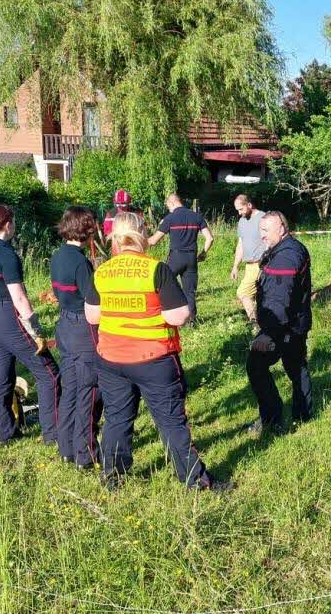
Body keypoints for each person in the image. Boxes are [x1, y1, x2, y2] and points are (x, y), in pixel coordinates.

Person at [86, 211, 229, 492]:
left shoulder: (102, 271)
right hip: (153, 359)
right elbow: (178, 316)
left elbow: (92, 317)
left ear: (114, 236)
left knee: (116, 418)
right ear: (143, 234)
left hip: (112, 358)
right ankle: (194, 481)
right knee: (171, 422)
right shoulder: (156, 269)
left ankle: (113, 477)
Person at [0, 204, 62, 446]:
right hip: (7, 318)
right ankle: (54, 434)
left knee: (1, 376)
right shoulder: (7, 255)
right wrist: (37, 332)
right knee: (49, 374)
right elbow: (19, 299)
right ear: (8, 225)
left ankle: (4, 433)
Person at [246, 211, 314, 436]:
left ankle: (272, 419)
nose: (262, 235)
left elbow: (279, 299)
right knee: (296, 367)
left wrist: (267, 334)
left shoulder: (286, 256)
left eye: (266, 231)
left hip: (283, 327)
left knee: (256, 365)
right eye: (260, 230)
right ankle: (303, 415)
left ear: (282, 229)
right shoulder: (289, 248)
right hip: (295, 323)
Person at [50, 206, 103, 469]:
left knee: (70, 389)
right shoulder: (81, 263)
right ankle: (87, 454)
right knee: (89, 391)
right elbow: (94, 302)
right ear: (86, 230)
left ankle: (66, 447)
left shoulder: (58, 256)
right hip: (83, 329)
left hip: (65, 327)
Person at [148, 194, 214, 323]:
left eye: (168, 207)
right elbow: (210, 238)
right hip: (191, 257)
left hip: (176, 257)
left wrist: (138, 241)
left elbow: (153, 241)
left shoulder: (170, 218)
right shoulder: (196, 216)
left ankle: (164, 316)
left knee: (163, 285)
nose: (169, 209)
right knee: (189, 292)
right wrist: (203, 253)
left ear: (172, 203)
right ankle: (192, 321)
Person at [230, 194, 267, 324]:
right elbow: (241, 244)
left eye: (241, 209)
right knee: (257, 295)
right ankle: (261, 322)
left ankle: (254, 322)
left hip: (262, 264)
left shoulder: (264, 218)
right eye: (237, 210)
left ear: (249, 205)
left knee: (242, 292)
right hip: (249, 266)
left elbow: (271, 241)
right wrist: (235, 266)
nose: (239, 213)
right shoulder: (242, 222)